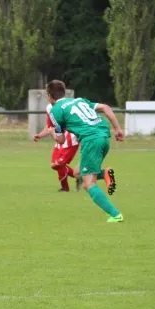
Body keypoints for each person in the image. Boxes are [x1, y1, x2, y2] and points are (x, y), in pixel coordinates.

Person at [46, 80, 124, 223]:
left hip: (90, 141)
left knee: (88, 184)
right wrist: (118, 129)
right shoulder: (80, 100)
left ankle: (115, 214)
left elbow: (61, 140)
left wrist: (52, 133)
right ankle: (105, 173)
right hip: (104, 137)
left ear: (50, 96)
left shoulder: (55, 111)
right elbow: (106, 107)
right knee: (77, 173)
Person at [33, 103, 81, 192]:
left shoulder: (67, 105)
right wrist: (40, 135)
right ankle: (78, 176)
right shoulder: (49, 107)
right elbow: (50, 126)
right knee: (54, 165)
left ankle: (65, 187)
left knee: (58, 164)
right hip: (59, 140)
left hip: (70, 141)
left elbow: (77, 122)